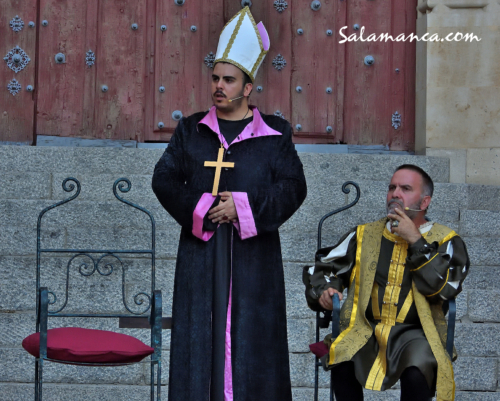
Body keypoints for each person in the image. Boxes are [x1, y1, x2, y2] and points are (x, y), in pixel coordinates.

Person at [152, 7, 306, 401]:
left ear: (248, 86)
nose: (219, 86)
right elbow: (164, 179)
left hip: (255, 262)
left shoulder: (275, 135)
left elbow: (293, 187)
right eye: (215, 78)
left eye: (229, 79)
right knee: (200, 344)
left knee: (254, 344)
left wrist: (243, 207)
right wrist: (201, 208)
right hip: (201, 260)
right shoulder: (190, 130)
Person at [303, 164, 469, 401]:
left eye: (405, 188)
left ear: (424, 202)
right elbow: (323, 268)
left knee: (417, 370)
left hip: (418, 334)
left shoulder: (446, 241)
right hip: (365, 327)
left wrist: (415, 240)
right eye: (392, 187)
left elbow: (443, 289)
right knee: (341, 358)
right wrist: (326, 290)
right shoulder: (363, 234)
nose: (395, 194)